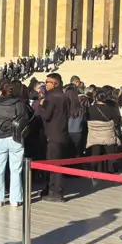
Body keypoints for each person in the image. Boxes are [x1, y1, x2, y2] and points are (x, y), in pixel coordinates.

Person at [0, 79, 29, 207]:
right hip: (15, 138)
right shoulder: (19, 103)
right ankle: (15, 199)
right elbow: (24, 118)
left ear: (0, 91)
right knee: (16, 170)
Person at [38, 73, 68, 202]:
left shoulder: (52, 97)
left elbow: (46, 116)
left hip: (52, 135)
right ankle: (55, 189)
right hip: (62, 133)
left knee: (53, 165)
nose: (46, 84)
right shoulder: (64, 96)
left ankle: (56, 192)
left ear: (55, 83)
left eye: (48, 82)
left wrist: (41, 105)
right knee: (57, 163)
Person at [85, 91, 122, 173]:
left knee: (95, 154)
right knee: (110, 154)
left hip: (94, 136)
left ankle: (94, 171)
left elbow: (86, 119)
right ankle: (111, 170)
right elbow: (117, 121)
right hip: (108, 135)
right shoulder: (111, 109)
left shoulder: (90, 109)